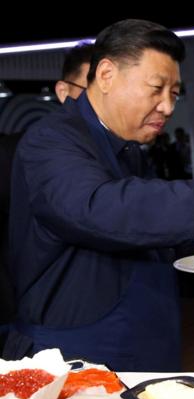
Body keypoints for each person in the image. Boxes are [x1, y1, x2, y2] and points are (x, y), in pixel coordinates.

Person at [5, 19, 194, 371]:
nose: (168, 106)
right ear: (106, 75)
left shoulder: (129, 147)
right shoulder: (52, 138)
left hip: (146, 340)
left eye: (174, 93)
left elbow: (150, 223)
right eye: (156, 88)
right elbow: (101, 209)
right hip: (76, 351)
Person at [0, 43, 95, 354]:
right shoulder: (21, 150)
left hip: (88, 321)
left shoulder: (120, 154)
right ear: (63, 92)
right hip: (28, 318)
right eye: (91, 90)